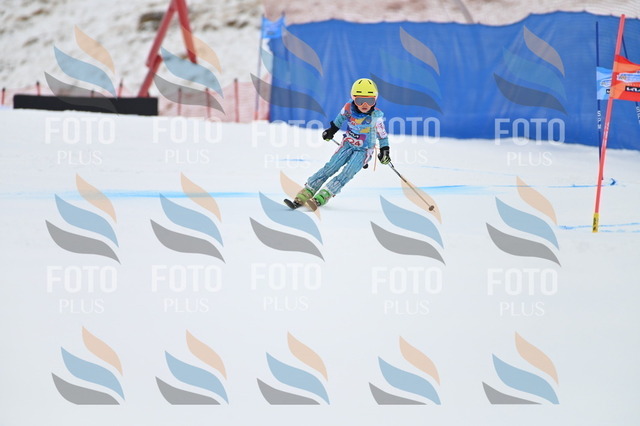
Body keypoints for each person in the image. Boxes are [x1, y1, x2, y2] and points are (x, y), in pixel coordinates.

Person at [292, 78, 391, 208]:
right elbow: (339, 120)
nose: (364, 104)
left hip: (364, 150)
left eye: (370, 100)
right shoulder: (348, 108)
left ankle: (325, 194)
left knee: (348, 172)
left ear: (375, 99)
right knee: (331, 167)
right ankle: (308, 190)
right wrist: (331, 131)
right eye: (360, 100)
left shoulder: (375, 117)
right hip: (348, 144)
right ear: (353, 98)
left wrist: (385, 151)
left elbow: (383, 137)